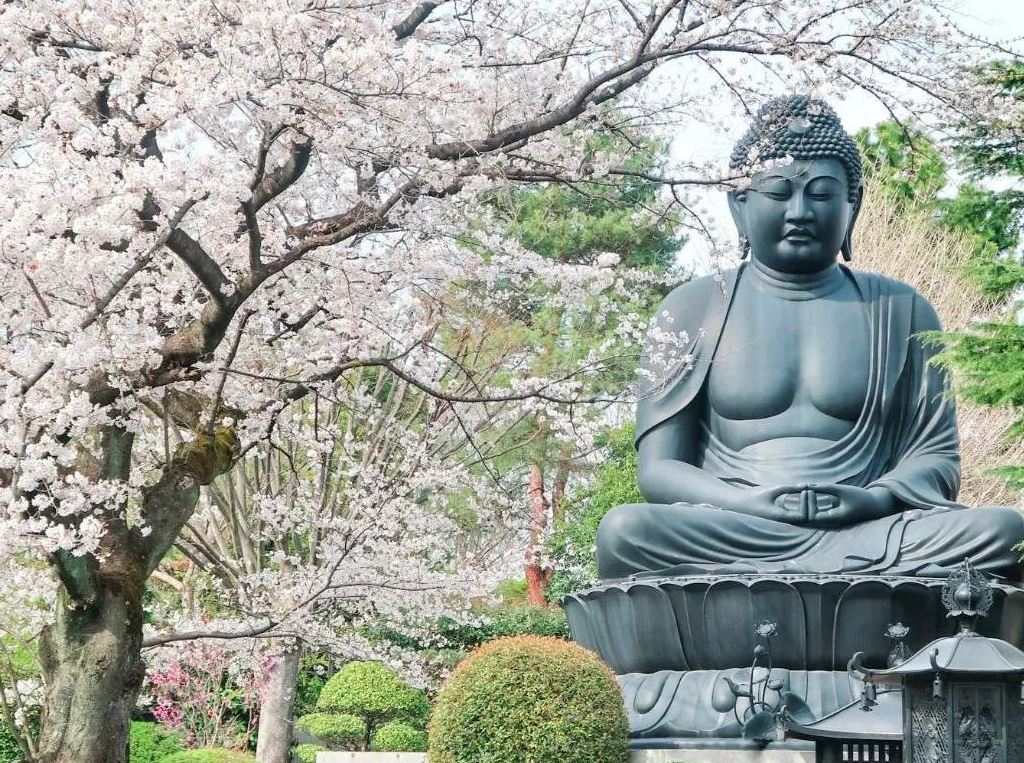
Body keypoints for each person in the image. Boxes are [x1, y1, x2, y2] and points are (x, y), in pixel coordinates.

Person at [596, 95, 1024, 580]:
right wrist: (748, 501)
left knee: (1003, 532)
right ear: (740, 204)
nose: (800, 211)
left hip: (872, 528)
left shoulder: (901, 309)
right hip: (735, 526)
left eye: (821, 194)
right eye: (779, 193)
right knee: (625, 530)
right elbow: (658, 471)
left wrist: (874, 497)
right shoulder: (691, 308)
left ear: (852, 205)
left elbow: (936, 458)